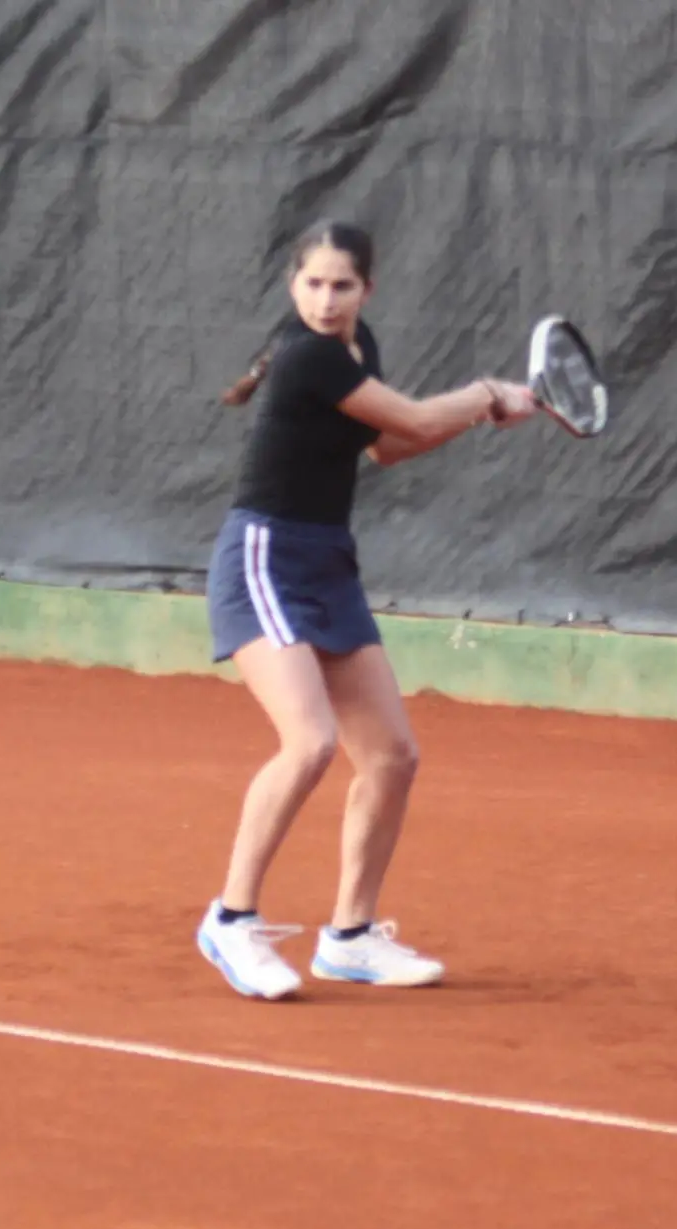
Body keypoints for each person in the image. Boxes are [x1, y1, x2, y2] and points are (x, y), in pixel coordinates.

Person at [195, 220, 541, 1000]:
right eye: (311, 284)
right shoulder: (308, 354)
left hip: (327, 560)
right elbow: (416, 419)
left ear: (366, 290)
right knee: (310, 740)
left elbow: (386, 446)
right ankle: (229, 917)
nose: (324, 299)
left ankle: (349, 937)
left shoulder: (357, 345)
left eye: (340, 285)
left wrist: (475, 416)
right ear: (293, 286)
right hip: (264, 558)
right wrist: (488, 395)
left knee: (390, 755)